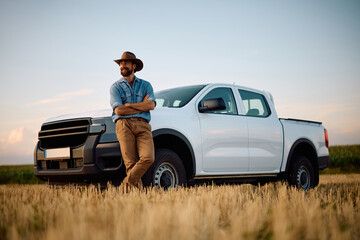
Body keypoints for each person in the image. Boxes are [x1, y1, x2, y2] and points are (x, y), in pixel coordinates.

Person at [110, 51, 156, 191]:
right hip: (123, 125)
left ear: (134, 66)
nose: (122, 66)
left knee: (148, 158)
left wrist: (129, 105)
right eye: (121, 63)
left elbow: (151, 105)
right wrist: (140, 107)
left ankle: (124, 187)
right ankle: (138, 196)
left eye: (125, 63)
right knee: (130, 163)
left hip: (143, 125)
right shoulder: (115, 87)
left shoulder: (146, 85)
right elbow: (118, 111)